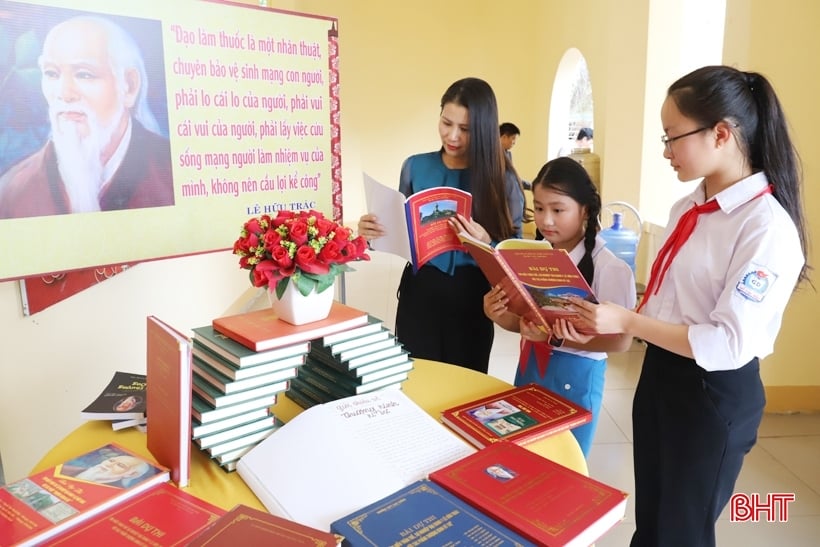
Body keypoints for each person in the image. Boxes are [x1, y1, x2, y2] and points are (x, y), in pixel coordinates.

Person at [567, 65, 809, 546]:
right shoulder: (688, 207)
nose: (665, 150)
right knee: (653, 519)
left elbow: (725, 343)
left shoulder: (765, 228)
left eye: (673, 136)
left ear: (721, 134)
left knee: (682, 532)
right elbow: (669, 302)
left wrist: (629, 319)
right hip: (661, 377)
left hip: (712, 395)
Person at [358, 77, 527, 374]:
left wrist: (487, 242)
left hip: (472, 298)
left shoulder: (503, 181)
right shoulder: (415, 166)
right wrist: (373, 233)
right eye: (446, 123)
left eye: (465, 129)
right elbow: (402, 229)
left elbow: (517, 256)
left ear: (485, 131)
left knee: (465, 389)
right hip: (419, 291)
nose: (452, 136)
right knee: (416, 381)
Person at [483, 156, 635, 457]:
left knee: (564, 461)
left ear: (585, 210)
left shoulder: (610, 269)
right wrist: (498, 315)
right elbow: (525, 324)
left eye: (557, 209)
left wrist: (557, 338)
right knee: (521, 454)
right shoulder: (530, 257)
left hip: (576, 377)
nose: (545, 220)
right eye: (539, 208)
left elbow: (622, 341)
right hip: (530, 368)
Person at [0, 15, 174, 219]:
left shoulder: (172, 173)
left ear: (129, 86)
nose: (64, 93)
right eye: (52, 74)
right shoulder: (12, 191)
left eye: (84, 74)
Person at [61, 453, 152, 488]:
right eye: (111, 460)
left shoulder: (115, 494)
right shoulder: (63, 470)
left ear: (131, 474)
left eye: (120, 465)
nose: (109, 464)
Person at [500, 122, 531, 190]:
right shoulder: (493, 155)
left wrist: (530, 186)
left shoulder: (508, 154)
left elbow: (512, 177)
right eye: (513, 138)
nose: (514, 142)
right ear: (504, 137)